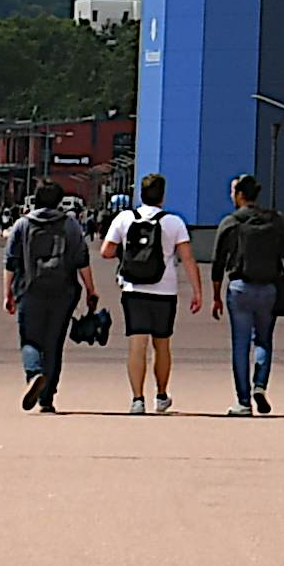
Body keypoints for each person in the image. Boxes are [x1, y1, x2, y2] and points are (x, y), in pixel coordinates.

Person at [207, 177, 284, 416]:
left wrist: (216, 295)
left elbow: (218, 262)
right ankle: (260, 384)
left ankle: (243, 401)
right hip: (268, 289)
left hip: (239, 288)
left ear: (239, 195)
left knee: (240, 345)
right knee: (263, 340)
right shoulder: (276, 220)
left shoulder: (231, 222)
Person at [102, 176, 194, 414]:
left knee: (137, 345)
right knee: (162, 344)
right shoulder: (174, 222)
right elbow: (187, 258)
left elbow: (106, 251)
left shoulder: (124, 218)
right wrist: (198, 291)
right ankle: (161, 396)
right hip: (165, 290)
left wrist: (128, 256)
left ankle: (137, 399)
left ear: (140, 194)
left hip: (134, 290)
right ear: (163, 195)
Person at [4, 185, 91, 412]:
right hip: (63, 292)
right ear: (59, 202)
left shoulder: (22, 225)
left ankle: (34, 373)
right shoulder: (70, 225)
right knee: (54, 343)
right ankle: (47, 398)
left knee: (30, 339)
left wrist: (8, 294)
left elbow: (11, 262)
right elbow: (82, 259)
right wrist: (91, 290)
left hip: (29, 291)